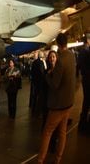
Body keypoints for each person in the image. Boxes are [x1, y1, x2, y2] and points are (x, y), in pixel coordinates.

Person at [38, 33, 76, 164]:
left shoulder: (60, 60)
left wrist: (48, 75)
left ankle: (40, 160)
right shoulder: (71, 55)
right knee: (62, 132)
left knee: (47, 131)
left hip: (58, 104)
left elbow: (54, 84)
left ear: (58, 44)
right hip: (69, 102)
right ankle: (58, 159)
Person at [78, 33, 90, 133]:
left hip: (85, 78)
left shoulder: (82, 51)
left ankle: (83, 123)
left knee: (86, 100)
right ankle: (83, 124)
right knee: (87, 101)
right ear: (88, 41)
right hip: (88, 79)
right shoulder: (86, 51)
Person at [30, 51, 46, 115]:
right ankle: (38, 111)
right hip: (40, 82)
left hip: (35, 82)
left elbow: (32, 72)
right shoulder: (41, 62)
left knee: (35, 96)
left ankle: (33, 110)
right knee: (40, 97)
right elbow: (42, 72)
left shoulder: (34, 62)